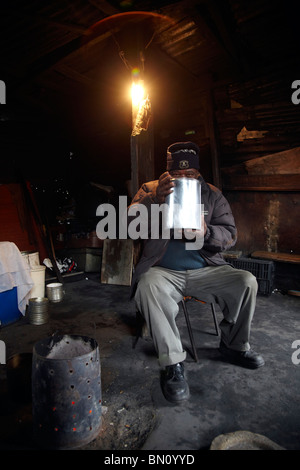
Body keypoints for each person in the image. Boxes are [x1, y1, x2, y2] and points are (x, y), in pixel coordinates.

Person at [128, 141, 264, 404]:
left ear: (198, 174)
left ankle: (234, 347)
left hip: (206, 270)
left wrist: (207, 233)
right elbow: (128, 224)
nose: (183, 179)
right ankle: (173, 364)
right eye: (177, 175)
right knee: (147, 285)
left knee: (246, 281)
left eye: (189, 175)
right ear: (167, 173)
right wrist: (153, 200)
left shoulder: (212, 194)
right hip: (163, 272)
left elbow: (230, 235)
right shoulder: (151, 189)